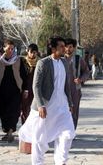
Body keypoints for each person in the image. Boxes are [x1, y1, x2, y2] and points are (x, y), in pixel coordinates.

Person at [19, 36, 75, 165]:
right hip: (45, 106)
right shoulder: (43, 63)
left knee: (68, 134)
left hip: (62, 106)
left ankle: (61, 161)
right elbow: (36, 86)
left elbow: (66, 85)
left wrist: (70, 103)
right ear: (53, 48)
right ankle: (37, 163)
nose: (64, 48)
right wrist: (40, 105)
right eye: (61, 46)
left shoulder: (65, 63)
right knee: (39, 138)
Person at [0, 39, 27, 143]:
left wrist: (25, 89)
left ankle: (10, 131)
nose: (10, 50)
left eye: (12, 48)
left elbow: (24, 75)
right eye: (8, 48)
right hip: (1, 91)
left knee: (14, 112)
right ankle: (7, 131)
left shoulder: (18, 61)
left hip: (15, 91)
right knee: (2, 111)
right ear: (4, 48)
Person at [64, 38, 90, 129]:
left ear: (74, 48)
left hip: (75, 89)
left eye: (70, 47)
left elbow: (87, 72)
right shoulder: (60, 59)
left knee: (74, 111)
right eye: (66, 47)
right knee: (63, 111)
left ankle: (72, 131)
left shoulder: (79, 59)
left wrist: (81, 79)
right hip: (62, 90)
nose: (68, 49)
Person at [21, 43, 39, 124]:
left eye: (34, 52)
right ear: (27, 52)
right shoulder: (23, 62)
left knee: (35, 109)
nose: (32, 54)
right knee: (25, 109)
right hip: (25, 89)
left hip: (36, 89)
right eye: (31, 52)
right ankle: (25, 127)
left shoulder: (40, 63)